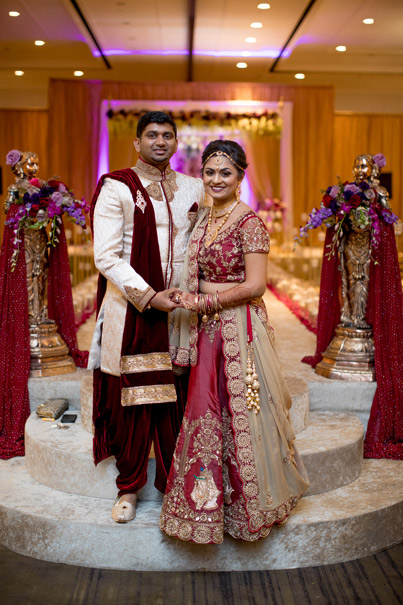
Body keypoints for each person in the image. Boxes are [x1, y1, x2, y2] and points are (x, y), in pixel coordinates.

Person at [160, 140, 309, 543]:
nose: (215, 179)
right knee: (207, 409)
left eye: (225, 172)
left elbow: (256, 285)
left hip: (238, 326)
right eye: (209, 172)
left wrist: (206, 300)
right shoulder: (204, 218)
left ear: (241, 176)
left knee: (244, 410)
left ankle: (249, 505)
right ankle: (207, 504)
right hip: (205, 326)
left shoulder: (249, 223)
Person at [89, 111, 204, 523]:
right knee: (136, 399)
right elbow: (106, 256)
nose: (160, 141)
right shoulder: (118, 187)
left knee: (178, 395)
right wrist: (149, 295)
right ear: (136, 142)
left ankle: (176, 482)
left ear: (176, 143)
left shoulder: (193, 186)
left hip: (182, 311)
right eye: (152, 135)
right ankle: (129, 487)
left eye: (167, 135)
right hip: (134, 307)